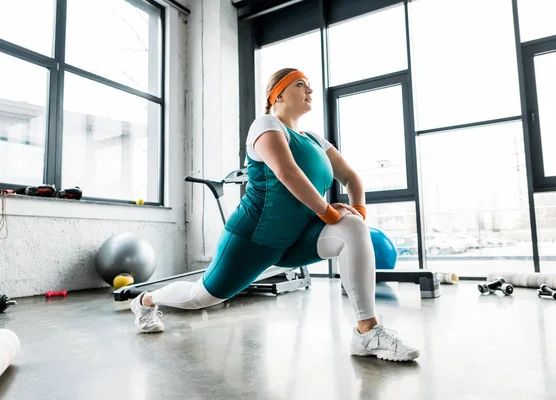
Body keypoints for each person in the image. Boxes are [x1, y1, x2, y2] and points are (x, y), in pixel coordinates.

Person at [130, 68, 419, 362]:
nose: (310, 90)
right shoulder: (266, 124)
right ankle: (145, 300)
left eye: (310, 86)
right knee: (200, 297)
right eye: (300, 84)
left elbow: (351, 177)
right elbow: (286, 172)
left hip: (296, 240)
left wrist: (356, 211)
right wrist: (330, 213)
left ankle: (366, 332)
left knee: (353, 227)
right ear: (277, 94)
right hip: (253, 239)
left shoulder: (317, 140)